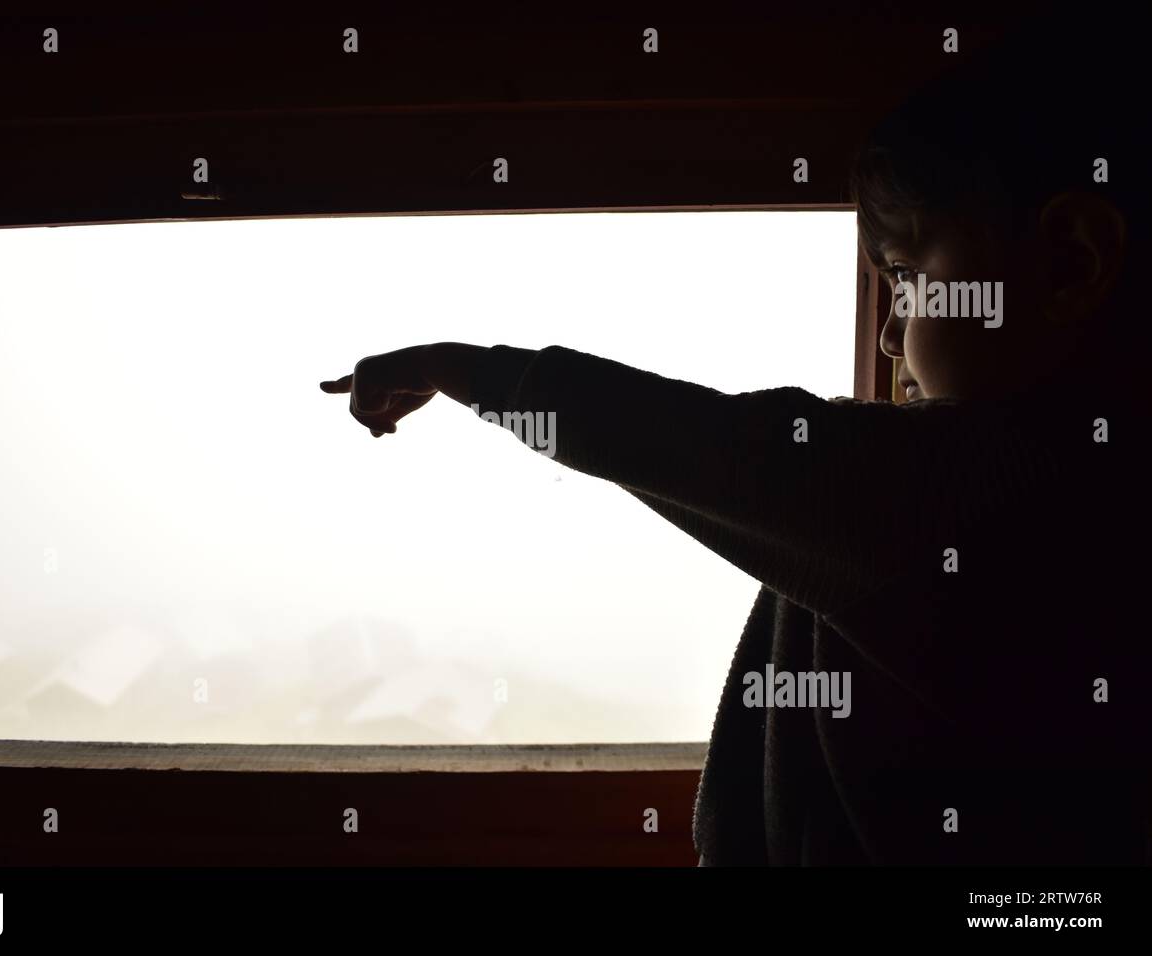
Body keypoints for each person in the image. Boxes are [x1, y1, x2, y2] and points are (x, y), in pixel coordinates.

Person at [319, 18, 1148, 864]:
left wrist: (467, 370)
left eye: (905, 276)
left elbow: (712, 450)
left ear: (1072, 260)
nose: (893, 336)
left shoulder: (1022, 487)